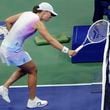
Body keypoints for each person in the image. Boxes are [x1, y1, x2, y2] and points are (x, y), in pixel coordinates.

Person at [0, 2, 76, 109]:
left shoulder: (26, 13)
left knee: (27, 67)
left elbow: (8, 20)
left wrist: (12, 35)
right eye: (51, 14)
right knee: (32, 70)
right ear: (44, 12)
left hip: (5, 46)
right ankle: (32, 101)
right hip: (13, 50)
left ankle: (4, 87)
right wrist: (67, 51)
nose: (51, 17)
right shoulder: (37, 22)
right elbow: (50, 39)